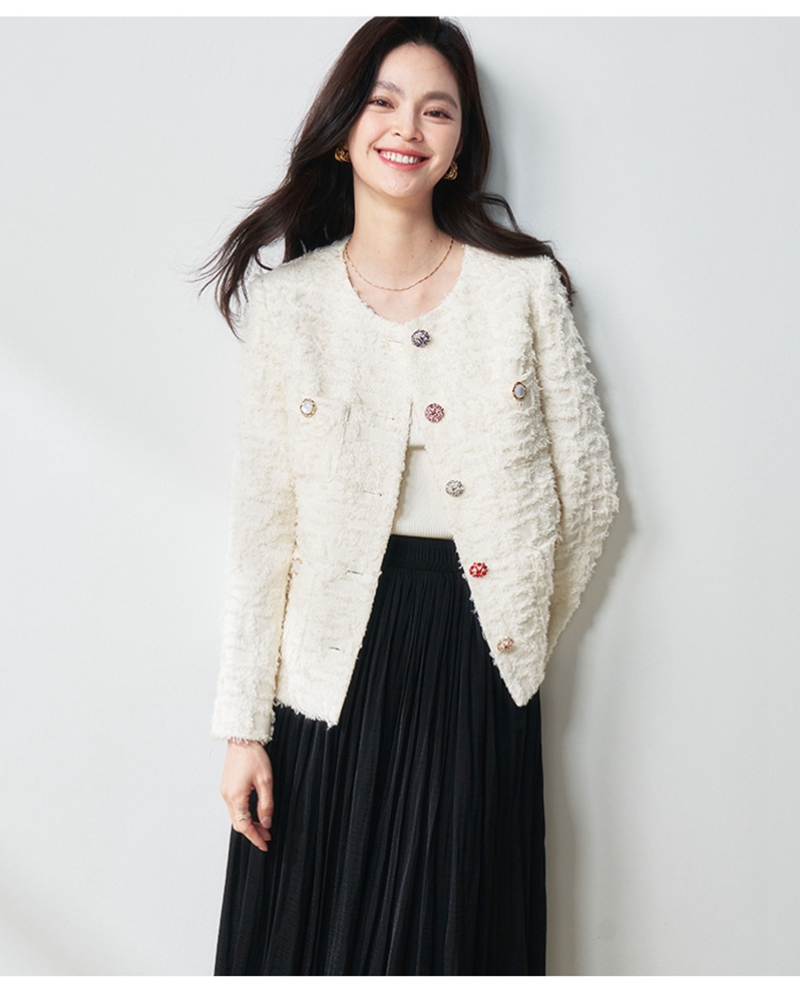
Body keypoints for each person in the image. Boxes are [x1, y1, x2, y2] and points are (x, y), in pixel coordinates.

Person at [204, 16, 618, 976]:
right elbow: (263, 531)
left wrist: (510, 638)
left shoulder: (522, 288)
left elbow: (589, 493)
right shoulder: (290, 305)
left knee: (449, 935)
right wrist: (244, 731)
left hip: (476, 656)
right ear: (344, 128)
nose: (408, 127)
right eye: (384, 102)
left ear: (461, 144)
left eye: (438, 111)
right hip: (323, 671)